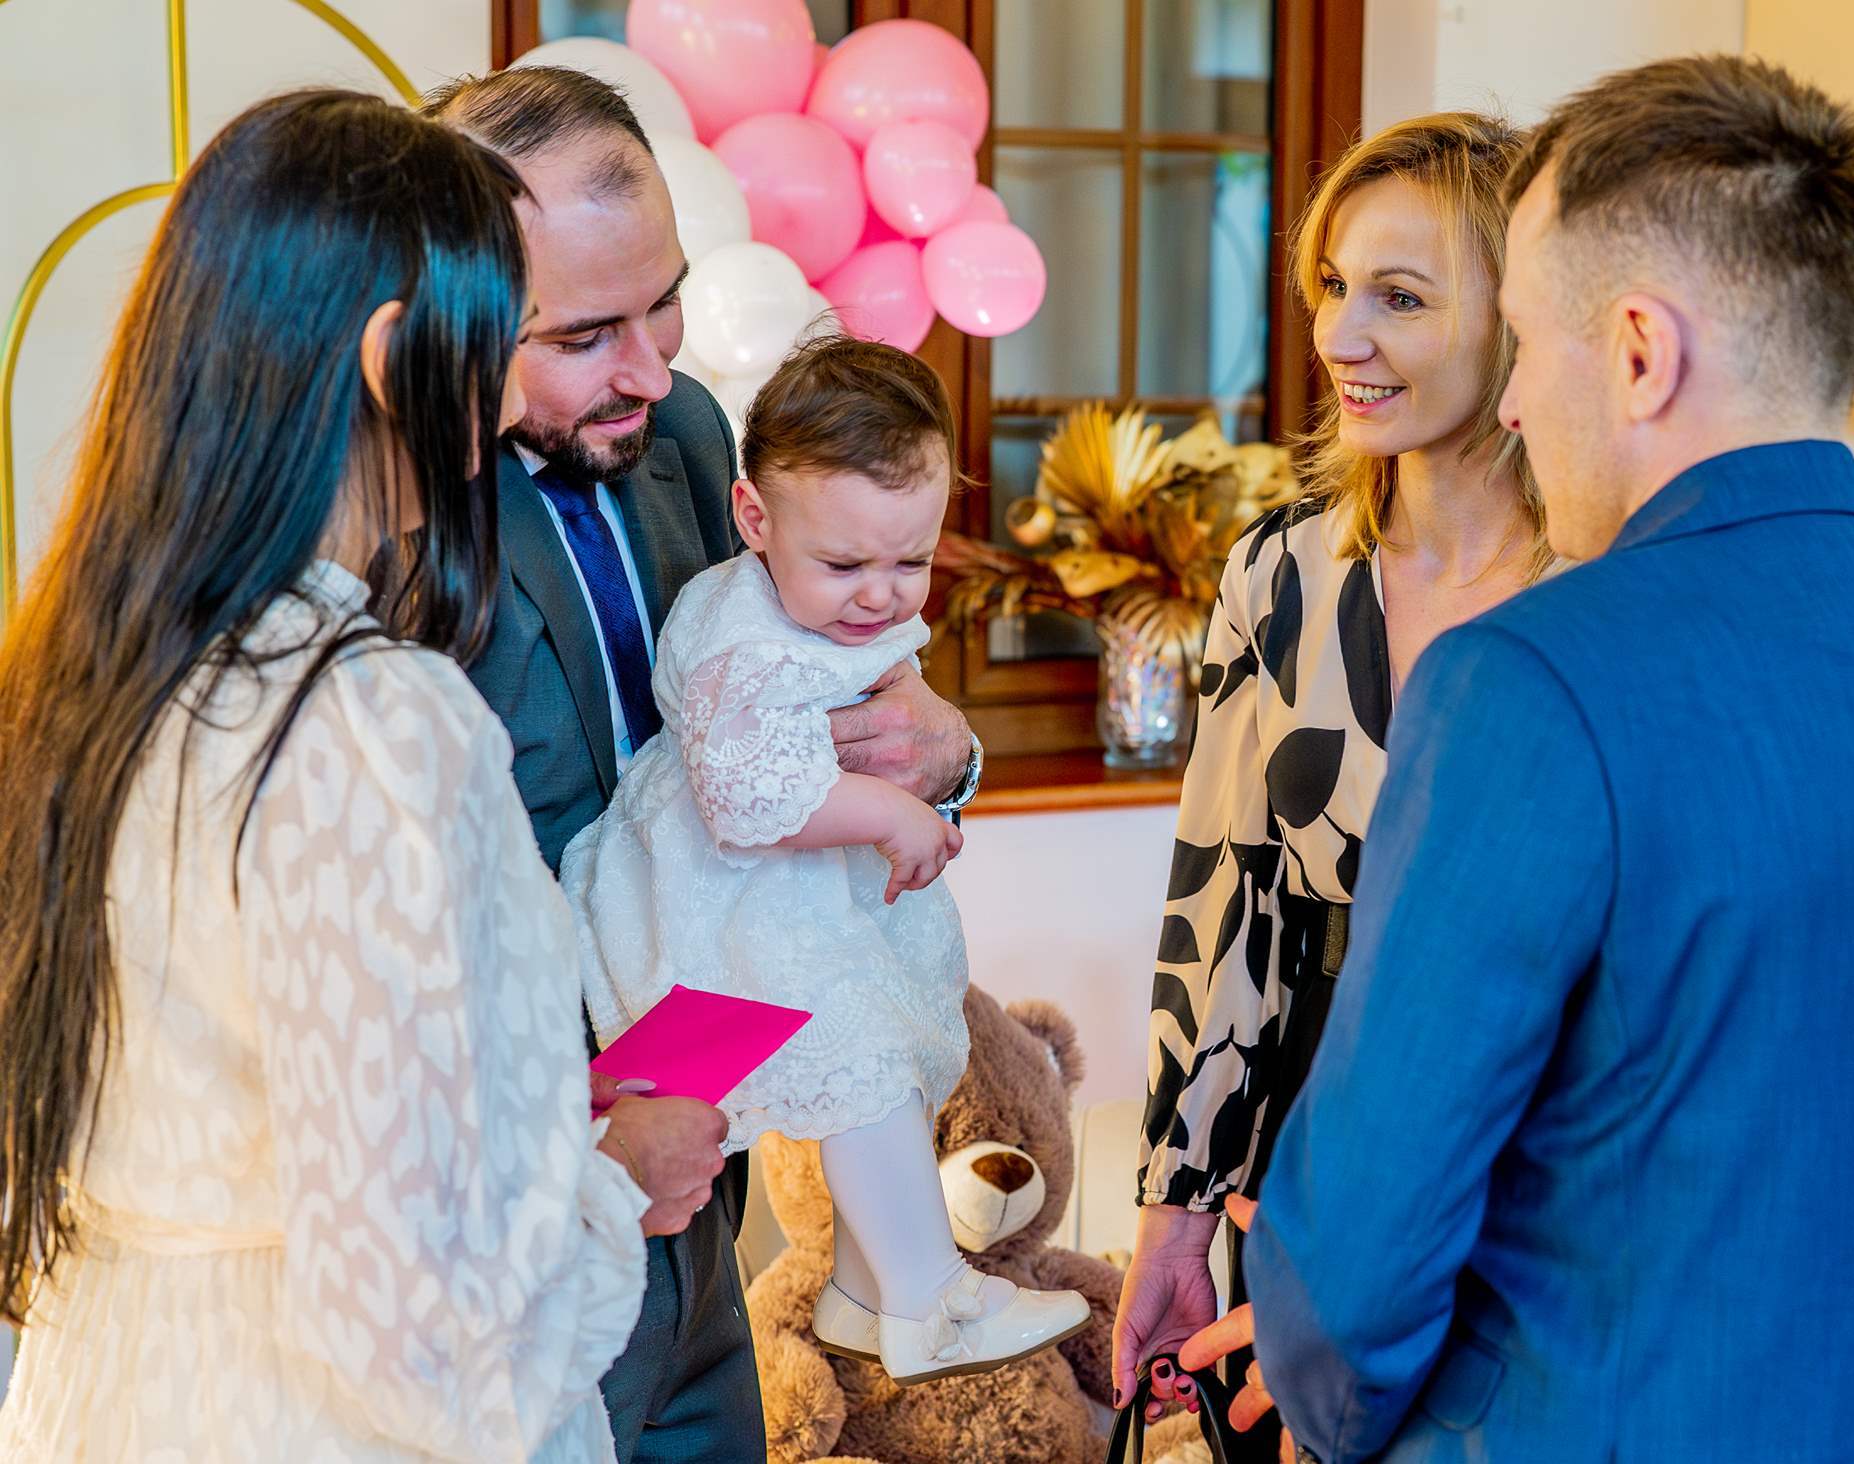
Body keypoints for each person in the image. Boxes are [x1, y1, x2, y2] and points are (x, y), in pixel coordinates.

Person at [1194, 56, 1854, 1463]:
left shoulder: (1525, 682)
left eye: (1529, 344)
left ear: (1641, 353)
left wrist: (1317, 1377)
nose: (1516, 406)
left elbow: (1360, 1258)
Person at [0, 90, 653, 1460]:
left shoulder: (78, 682)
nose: (506, 400)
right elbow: (414, 1333)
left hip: (110, 1388)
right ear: (395, 358)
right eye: (498, 342)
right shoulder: (363, 719)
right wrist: (608, 1190)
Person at [419, 67, 985, 1461]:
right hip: (518, 1214)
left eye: (662, 304)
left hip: (708, 1144)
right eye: (585, 334)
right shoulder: (392, 520)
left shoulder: (683, 436)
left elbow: (787, 690)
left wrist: (945, 746)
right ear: (455, 317)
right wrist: (590, 1149)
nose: (652, 370)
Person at [1112, 113, 1550, 1434]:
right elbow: (1223, 907)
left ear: (1522, 318)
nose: (1340, 337)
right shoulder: (1282, 571)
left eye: (1399, 298)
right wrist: (1175, 1218)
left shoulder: (1608, 591)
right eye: (1332, 286)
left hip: (1538, 1156)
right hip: (1308, 1143)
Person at [565, 335, 1091, 1387]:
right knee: (861, 1061)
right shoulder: (743, 639)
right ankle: (926, 1299)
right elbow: (747, 795)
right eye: (846, 566)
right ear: (755, 518)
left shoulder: (818, 596)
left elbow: (894, 710)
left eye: (911, 563)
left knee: (888, 1061)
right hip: (728, 907)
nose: (880, 596)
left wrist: (937, 762)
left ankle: (863, 1288)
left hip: (808, 900)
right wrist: (887, 815)